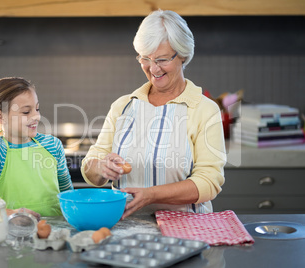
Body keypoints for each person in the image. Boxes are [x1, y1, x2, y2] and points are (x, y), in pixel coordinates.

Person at [81, 10, 226, 219]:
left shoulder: (204, 110)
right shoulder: (123, 106)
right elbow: (91, 167)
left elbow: (209, 182)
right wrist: (101, 168)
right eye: (145, 58)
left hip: (187, 231)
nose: (153, 68)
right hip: (126, 229)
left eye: (162, 59)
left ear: (183, 55)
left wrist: (151, 195)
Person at [0, 77, 73, 218]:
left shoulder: (52, 145)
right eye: (26, 112)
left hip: (56, 232)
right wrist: (13, 214)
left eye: (37, 109)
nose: (36, 116)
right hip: (18, 233)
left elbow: (69, 195)